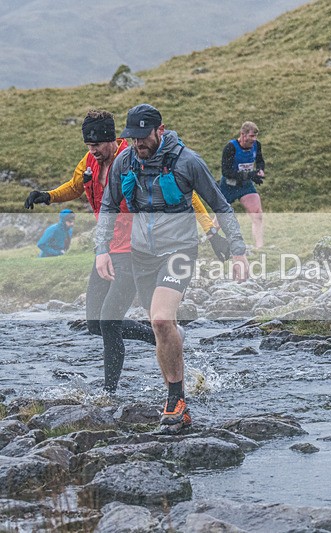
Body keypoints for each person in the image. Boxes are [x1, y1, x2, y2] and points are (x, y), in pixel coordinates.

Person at [24, 109, 230, 393]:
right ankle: (167, 334)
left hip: (136, 250)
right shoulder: (89, 163)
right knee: (95, 322)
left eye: (96, 145)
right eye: (88, 145)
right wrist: (47, 196)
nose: (92, 150)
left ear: (111, 139)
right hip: (107, 251)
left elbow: (190, 195)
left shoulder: (134, 158)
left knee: (109, 321)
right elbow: (75, 187)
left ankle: (109, 394)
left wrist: (211, 230)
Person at [95, 103, 250, 433]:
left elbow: (221, 205)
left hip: (179, 251)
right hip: (141, 255)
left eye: (143, 137)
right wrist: (101, 250)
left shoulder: (186, 162)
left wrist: (238, 250)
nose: (138, 144)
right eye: (132, 138)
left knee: (161, 318)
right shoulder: (125, 161)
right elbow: (109, 206)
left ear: (159, 130)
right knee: (161, 326)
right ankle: (177, 348)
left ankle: (176, 401)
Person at [220, 121, 265, 249]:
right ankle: (209, 239)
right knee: (221, 218)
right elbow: (226, 171)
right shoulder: (231, 147)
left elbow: (260, 160)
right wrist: (249, 175)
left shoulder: (257, 145)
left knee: (257, 214)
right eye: (251, 136)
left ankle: (259, 247)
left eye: (255, 136)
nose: (254, 139)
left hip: (245, 186)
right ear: (243, 135)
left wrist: (260, 171)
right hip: (228, 186)